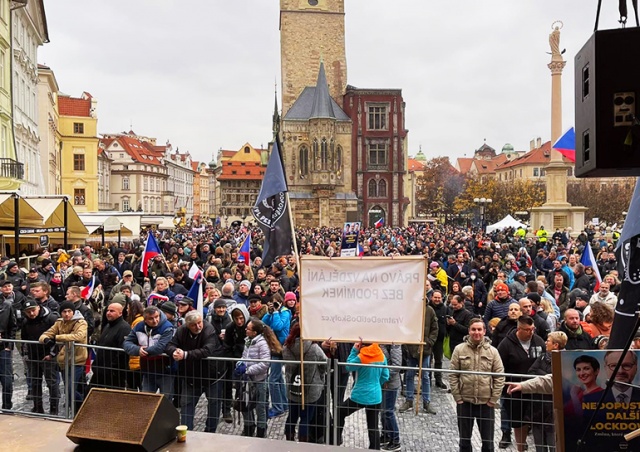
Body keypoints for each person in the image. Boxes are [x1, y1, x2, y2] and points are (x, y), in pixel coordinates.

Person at [449, 318, 504, 452]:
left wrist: (493, 400)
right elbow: (453, 374)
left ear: (484, 331)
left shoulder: (493, 352)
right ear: (469, 331)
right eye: (473, 329)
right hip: (465, 402)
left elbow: (499, 376)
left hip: (485, 403)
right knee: (464, 441)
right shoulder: (459, 350)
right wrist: (458, 397)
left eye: (479, 329)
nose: (476, 332)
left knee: (488, 443)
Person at [166, 311, 226, 432]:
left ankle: (210, 432)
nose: (198, 326)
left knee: (214, 405)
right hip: (191, 376)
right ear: (188, 325)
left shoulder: (209, 329)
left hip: (212, 376)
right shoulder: (181, 330)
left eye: (199, 323)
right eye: (194, 324)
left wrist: (185, 354)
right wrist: (174, 351)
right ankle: (186, 432)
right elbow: (169, 345)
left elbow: (207, 350)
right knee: (186, 405)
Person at [497, 316, 545, 451]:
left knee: (538, 421)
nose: (531, 332)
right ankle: (520, 447)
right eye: (527, 330)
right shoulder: (506, 344)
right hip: (515, 390)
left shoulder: (539, 341)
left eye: (533, 329)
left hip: (536, 389)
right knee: (518, 422)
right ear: (519, 329)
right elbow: (500, 367)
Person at [337, 339, 389, 450]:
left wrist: (354, 350)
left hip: (359, 395)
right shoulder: (381, 356)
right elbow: (385, 375)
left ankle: (336, 439)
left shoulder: (362, 357)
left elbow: (348, 366)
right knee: (373, 426)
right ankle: (375, 448)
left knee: (340, 413)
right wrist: (376, 385)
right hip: (375, 395)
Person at [235, 318, 282, 438]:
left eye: (248, 329)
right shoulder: (248, 341)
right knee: (246, 404)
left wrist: (247, 370)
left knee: (260, 408)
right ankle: (249, 427)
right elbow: (244, 356)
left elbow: (265, 363)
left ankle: (261, 431)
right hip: (247, 381)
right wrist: (239, 363)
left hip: (259, 380)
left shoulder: (262, 344)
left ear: (255, 332)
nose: (245, 330)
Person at [39, 300, 88, 413]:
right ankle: (75, 412)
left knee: (71, 389)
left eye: (69, 311)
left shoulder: (81, 323)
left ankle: (82, 409)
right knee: (68, 389)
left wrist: (57, 338)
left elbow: (79, 336)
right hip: (63, 361)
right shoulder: (59, 322)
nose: (67, 314)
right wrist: (46, 339)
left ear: (73, 312)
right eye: (64, 312)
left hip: (77, 360)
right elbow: (44, 335)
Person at [282, 323, 327, 443]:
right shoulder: (314, 348)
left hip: (293, 388)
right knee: (306, 418)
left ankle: (289, 440)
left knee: (292, 416)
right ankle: (303, 445)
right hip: (310, 390)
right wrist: (321, 377)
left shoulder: (286, 347)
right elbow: (324, 364)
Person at [123, 306, 175, 398]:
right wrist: (137, 350)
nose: (155, 320)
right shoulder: (139, 326)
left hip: (165, 370)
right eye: (151, 318)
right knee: (146, 400)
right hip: (147, 370)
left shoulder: (167, 327)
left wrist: (144, 351)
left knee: (166, 401)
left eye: (156, 317)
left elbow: (160, 347)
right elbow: (127, 343)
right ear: (145, 319)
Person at [400, 296, 438, 414]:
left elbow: (434, 328)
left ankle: (427, 402)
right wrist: (407, 343)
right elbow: (404, 326)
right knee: (409, 375)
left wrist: (429, 343)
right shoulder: (410, 310)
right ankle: (409, 400)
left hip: (425, 349)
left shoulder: (430, 310)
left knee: (425, 376)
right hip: (412, 349)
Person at [21, 298, 59, 415]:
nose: (31, 314)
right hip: (33, 357)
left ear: (38, 307)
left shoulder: (51, 318)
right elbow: (24, 340)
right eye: (28, 312)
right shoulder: (25, 322)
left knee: (51, 383)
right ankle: (38, 407)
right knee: (35, 382)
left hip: (48, 356)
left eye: (33, 310)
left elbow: (59, 338)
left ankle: (54, 409)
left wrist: (52, 354)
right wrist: (25, 354)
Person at [262, 292, 291, 418]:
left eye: (276, 303)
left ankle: (277, 407)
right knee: (278, 378)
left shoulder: (285, 313)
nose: (274, 305)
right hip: (274, 347)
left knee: (273, 379)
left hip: (280, 348)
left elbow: (277, 326)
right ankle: (283, 405)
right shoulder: (274, 313)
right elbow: (263, 324)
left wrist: (275, 312)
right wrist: (269, 312)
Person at [92, 301, 131, 390]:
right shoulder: (108, 326)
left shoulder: (124, 328)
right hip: (100, 370)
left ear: (120, 313)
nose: (108, 313)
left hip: (114, 373)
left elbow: (122, 351)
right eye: (108, 311)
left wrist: (113, 369)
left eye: (112, 311)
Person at [380, 343, 402, 451]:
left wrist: (385, 376)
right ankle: (386, 435)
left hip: (390, 383)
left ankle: (395, 440)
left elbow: (396, 366)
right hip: (383, 382)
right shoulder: (381, 343)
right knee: (383, 411)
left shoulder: (395, 344)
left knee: (388, 412)